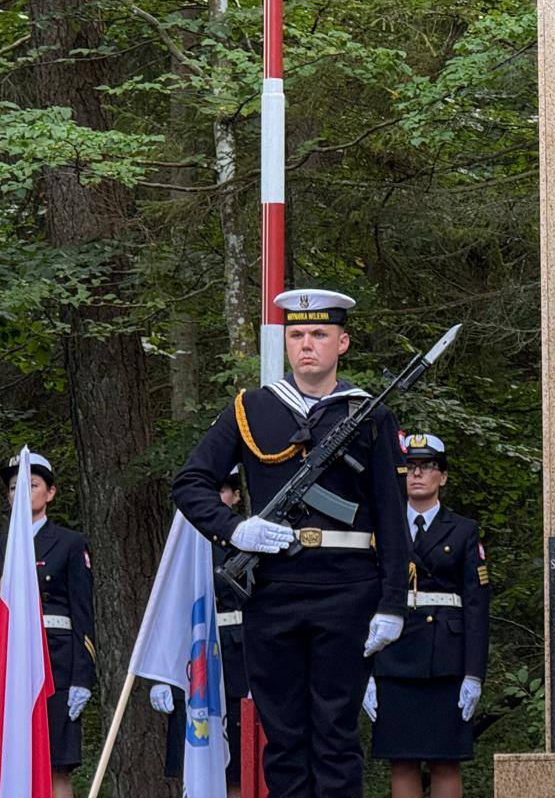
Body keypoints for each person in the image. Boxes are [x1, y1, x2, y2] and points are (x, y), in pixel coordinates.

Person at [172, 288, 409, 798]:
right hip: (273, 589)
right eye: (297, 335)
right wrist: (235, 528)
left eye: (320, 334)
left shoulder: (370, 414)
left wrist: (392, 603)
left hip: (348, 589)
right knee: (282, 734)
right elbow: (190, 482)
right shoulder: (251, 408)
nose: (307, 345)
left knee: (336, 735)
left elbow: (392, 516)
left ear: (342, 342)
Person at [365, 434, 490, 798]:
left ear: (443, 477)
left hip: (445, 661)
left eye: (428, 467)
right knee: (401, 760)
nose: (417, 475)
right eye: (410, 468)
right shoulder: (381, 529)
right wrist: (366, 671)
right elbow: (366, 598)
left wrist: (474, 673)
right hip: (393, 656)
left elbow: (477, 605)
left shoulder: (464, 530)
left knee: (444, 760)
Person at [0, 452, 96, 798]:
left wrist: (81, 679)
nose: (20, 493)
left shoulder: (70, 543)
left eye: (31, 485)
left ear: (50, 493)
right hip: (9, 668)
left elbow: (82, 614)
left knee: (56, 765)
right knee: (12, 764)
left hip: (54, 666)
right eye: (14, 487)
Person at [151, 469, 248, 798]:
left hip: (238, 661)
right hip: (193, 664)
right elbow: (166, 609)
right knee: (194, 765)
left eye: (221, 491)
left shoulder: (248, 540)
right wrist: (162, 675)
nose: (214, 500)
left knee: (237, 768)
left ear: (235, 497)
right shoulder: (180, 549)